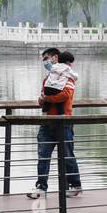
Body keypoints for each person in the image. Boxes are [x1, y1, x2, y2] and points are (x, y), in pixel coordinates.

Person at [30, 48, 82, 199]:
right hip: (47, 122)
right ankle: (41, 187)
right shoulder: (47, 79)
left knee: (67, 155)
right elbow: (42, 97)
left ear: (55, 58)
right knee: (43, 156)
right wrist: (42, 100)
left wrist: (48, 99)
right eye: (43, 60)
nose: (45, 62)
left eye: (47, 58)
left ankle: (75, 185)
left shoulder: (68, 77)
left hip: (64, 122)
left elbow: (66, 95)